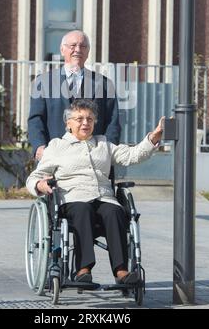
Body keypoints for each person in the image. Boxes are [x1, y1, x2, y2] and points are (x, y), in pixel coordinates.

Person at [26, 99, 164, 284]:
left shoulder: (103, 144)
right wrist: (40, 185)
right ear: (68, 123)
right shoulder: (56, 147)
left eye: (90, 119)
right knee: (84, 210)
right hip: (73, 198)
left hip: (104, 197)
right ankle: (83, 270)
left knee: (115, 211)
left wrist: (153, 138)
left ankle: (121, 272)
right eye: (80, 119)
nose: (85, 123)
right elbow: (34, 177)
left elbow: (132, 155)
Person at [28, 30, 121, 161]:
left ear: (88, 52)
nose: (77, 50)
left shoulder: (104, 84)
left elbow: (113, 122)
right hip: (55, 159)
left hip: (93, 161)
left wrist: (107, 150)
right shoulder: (43, 82)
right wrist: (39, 147)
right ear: (62, 50)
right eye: (72, 46)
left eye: (83, 46)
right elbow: (35, 119)